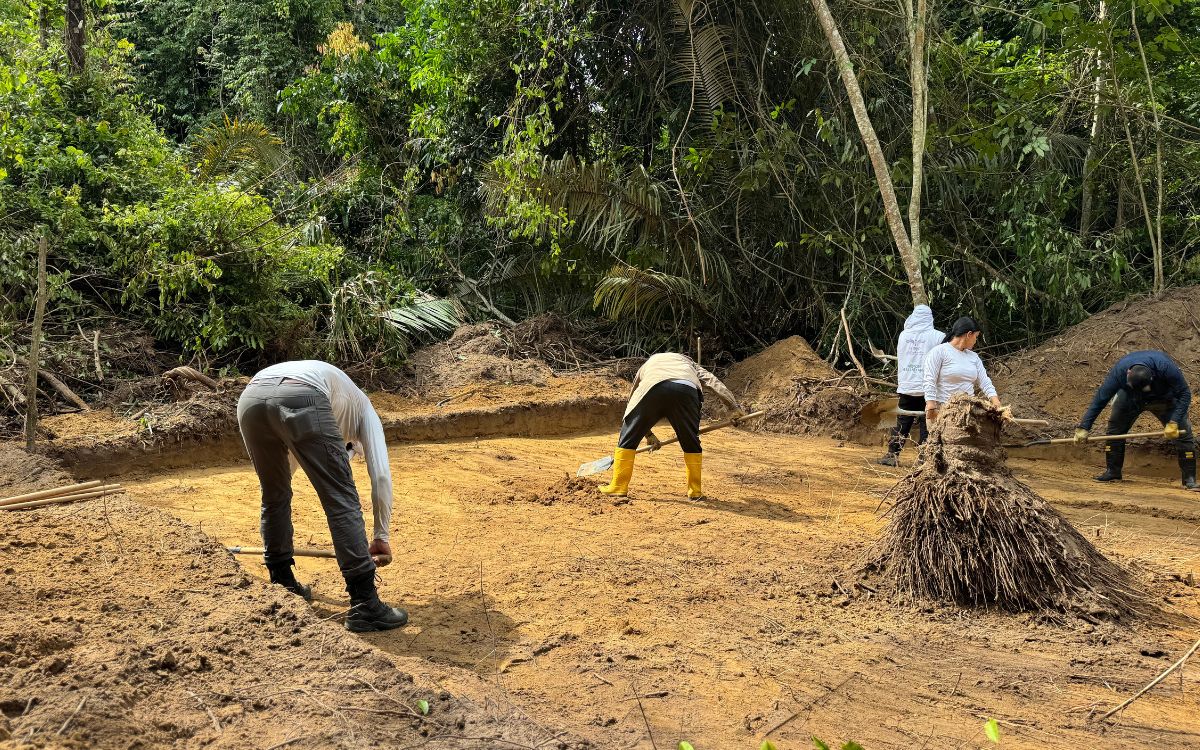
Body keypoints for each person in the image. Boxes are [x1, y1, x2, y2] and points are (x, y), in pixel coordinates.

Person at [236, 360, 408, 632]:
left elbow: (287, 473)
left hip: (252, 397)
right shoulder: (365, 411)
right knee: (342, 499)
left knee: (274, 494)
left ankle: (282, 581)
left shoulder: (339, 404)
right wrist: (381, 537)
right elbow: (382, 477)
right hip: (302, 392)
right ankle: (365, 603)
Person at [600, 352, 745, 500]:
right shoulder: (690, 364)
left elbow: (633, 401)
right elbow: (713, 382)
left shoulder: (649, 364)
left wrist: (647, 434)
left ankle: (618, 486)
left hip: (651, 388)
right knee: (691, 441)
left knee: (628, 438)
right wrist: (733, 408)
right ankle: (695, 492)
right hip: (685, 391)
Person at [1073, 350, 1196, 489]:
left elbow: (1185, 394)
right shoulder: (1119, 372)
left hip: (1163, 398)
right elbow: (1100, 399)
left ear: (1152, 377)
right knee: (1115, 431)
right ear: (1127, 375)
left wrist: (1173, 422)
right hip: (1130, 398)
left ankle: (1189, 479)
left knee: (1183, 435)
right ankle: (1113, 471)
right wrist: (1084, 427)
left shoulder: (1166, 368)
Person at [877, 304, 944, 466]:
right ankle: (924, 458)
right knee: (926, 422)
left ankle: (892, 455)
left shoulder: (903, 335)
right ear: (930, 318)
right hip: (928, 387)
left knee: (902, 420)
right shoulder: (939, 336)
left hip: (906, 385)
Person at [923, 316, 1002, 422]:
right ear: (969, 334)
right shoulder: (939, 352)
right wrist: (931, 405)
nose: (976, 341)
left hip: (968, 412)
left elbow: (985, 382)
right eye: (976, 337)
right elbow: (929, 379)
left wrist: (996, 402)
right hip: (943, 411)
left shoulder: (974, 357)